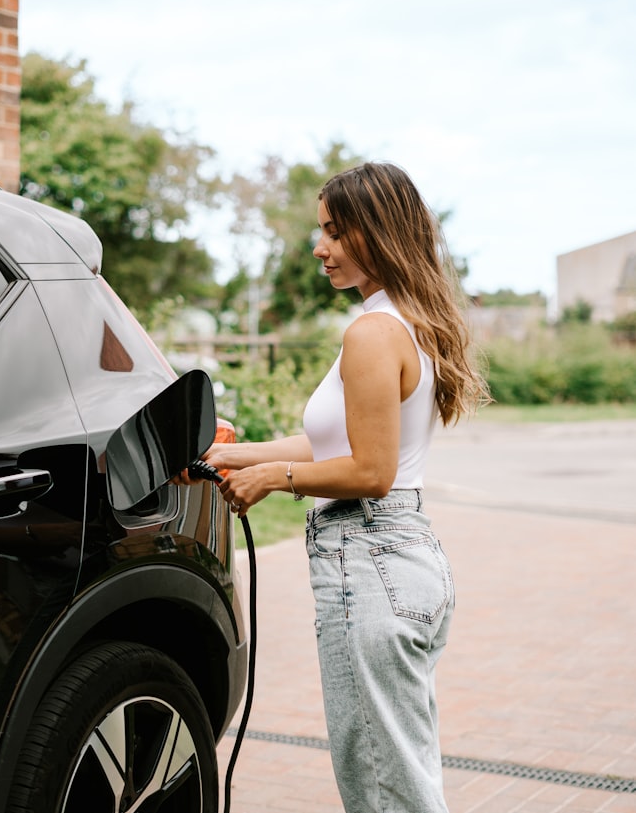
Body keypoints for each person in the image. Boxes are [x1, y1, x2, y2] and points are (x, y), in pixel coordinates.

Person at [187, 161, 488, 812]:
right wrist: (231, 456)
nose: (318, 247)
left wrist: (276, 478)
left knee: (385, 791)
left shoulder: (372, 332)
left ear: (376, 232)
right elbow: (340, 444)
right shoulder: (406, 320)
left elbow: (371, 472)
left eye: (333, 230)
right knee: (402, 778)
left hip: (371, 566)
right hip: (406, 564)